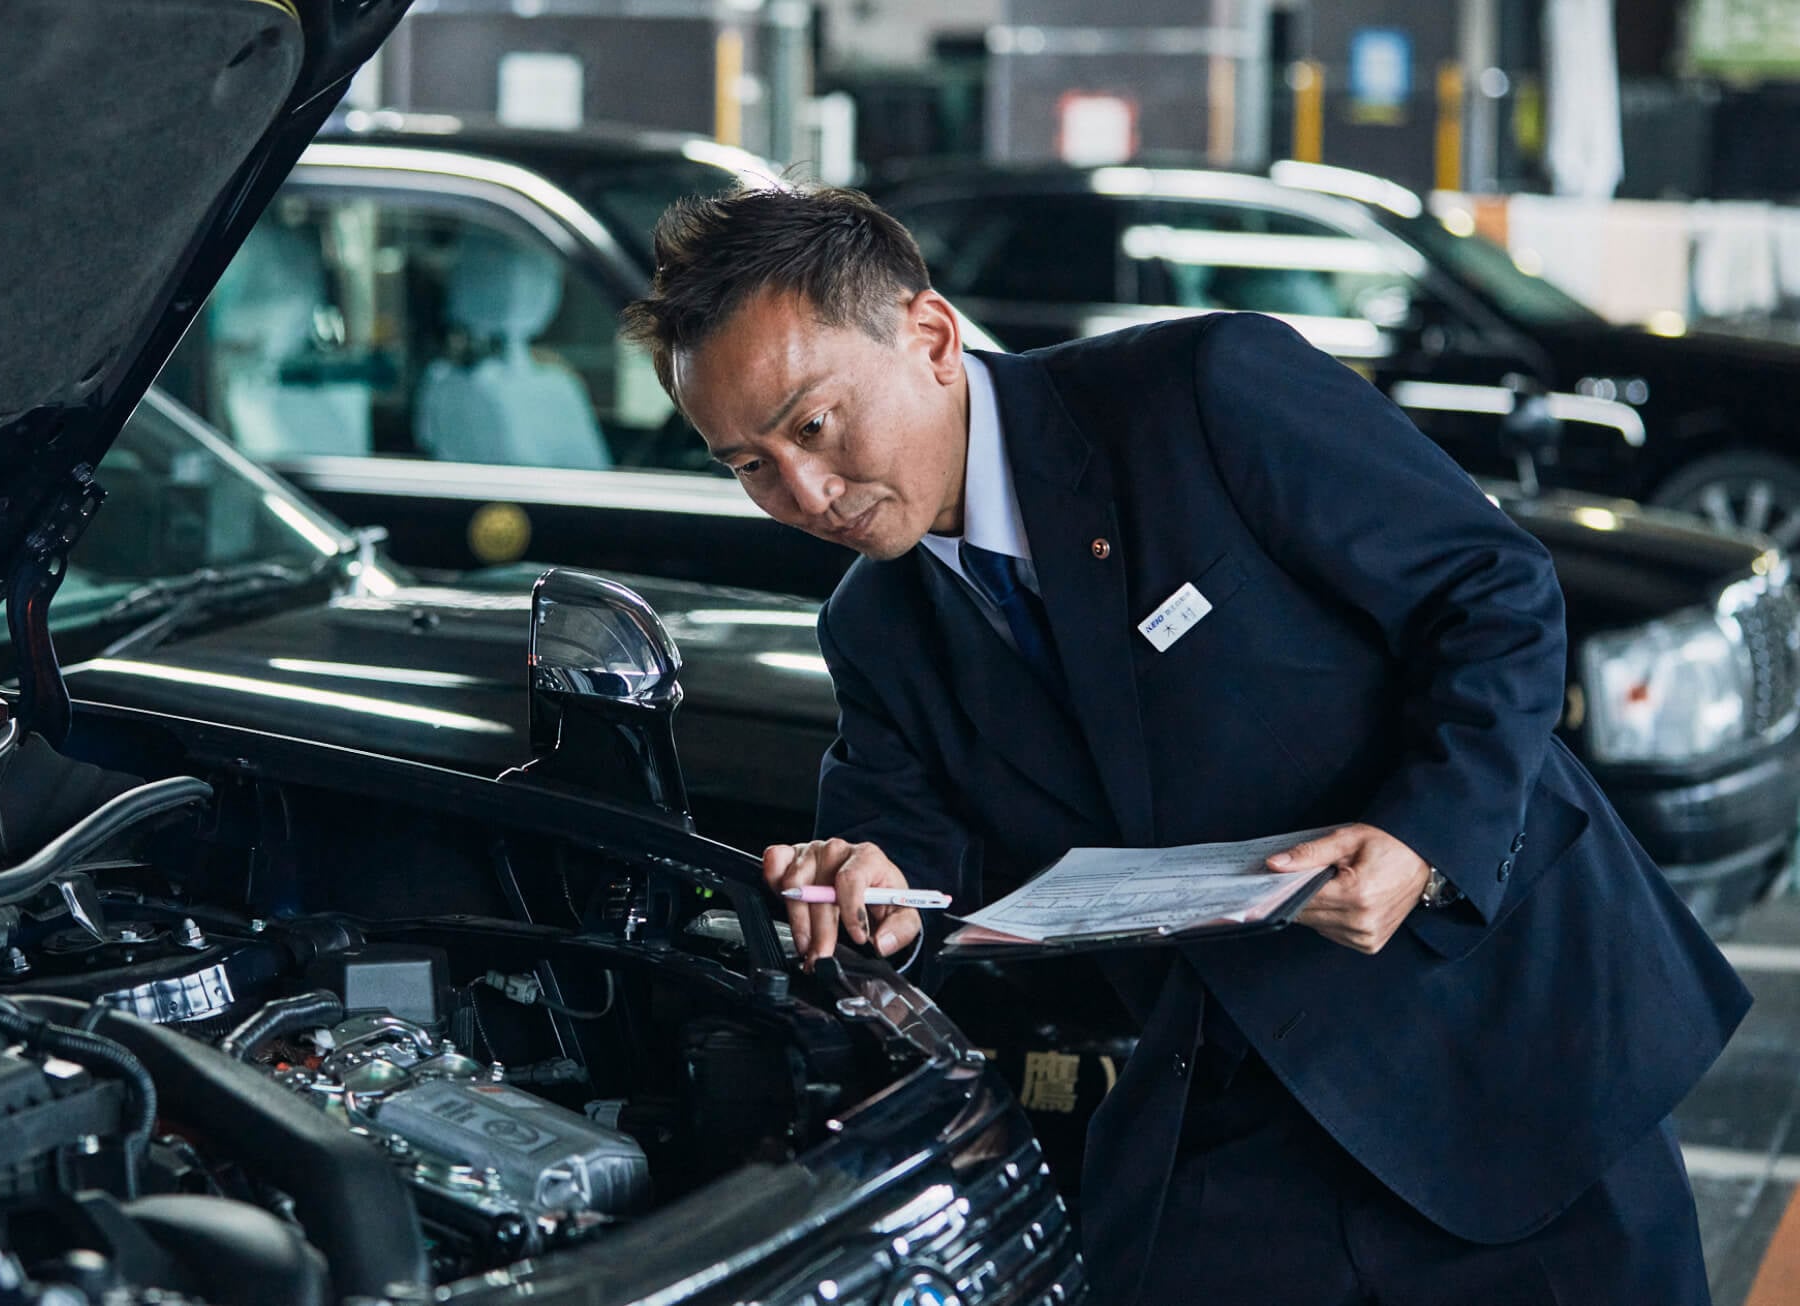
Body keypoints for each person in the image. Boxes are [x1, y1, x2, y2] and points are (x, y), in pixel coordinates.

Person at [619, 183, 1749, 1305]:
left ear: (927, 336)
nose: (803, 490)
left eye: (812, 425)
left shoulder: (1202, 395)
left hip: (1492, 1042)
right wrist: (869, 884)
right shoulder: (873, 628)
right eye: (748, 465)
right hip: (1227, 1102)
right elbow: (908, 848)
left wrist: (1418, 836)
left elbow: (1491, 592)